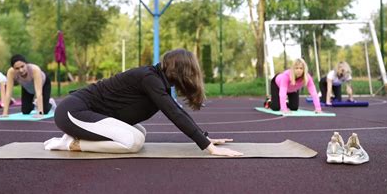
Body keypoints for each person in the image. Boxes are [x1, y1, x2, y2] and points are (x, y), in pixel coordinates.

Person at [46, 49, 242, 157]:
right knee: (133, 141)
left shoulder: (157, 82)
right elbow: (174, 113)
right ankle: (72, 144)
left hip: (86, 113)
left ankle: (72, 141)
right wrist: (208, 147)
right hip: (73, 112)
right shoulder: (150, 78)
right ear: (181, 70)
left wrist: (205, 137)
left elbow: (177, 110)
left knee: (140, 133)